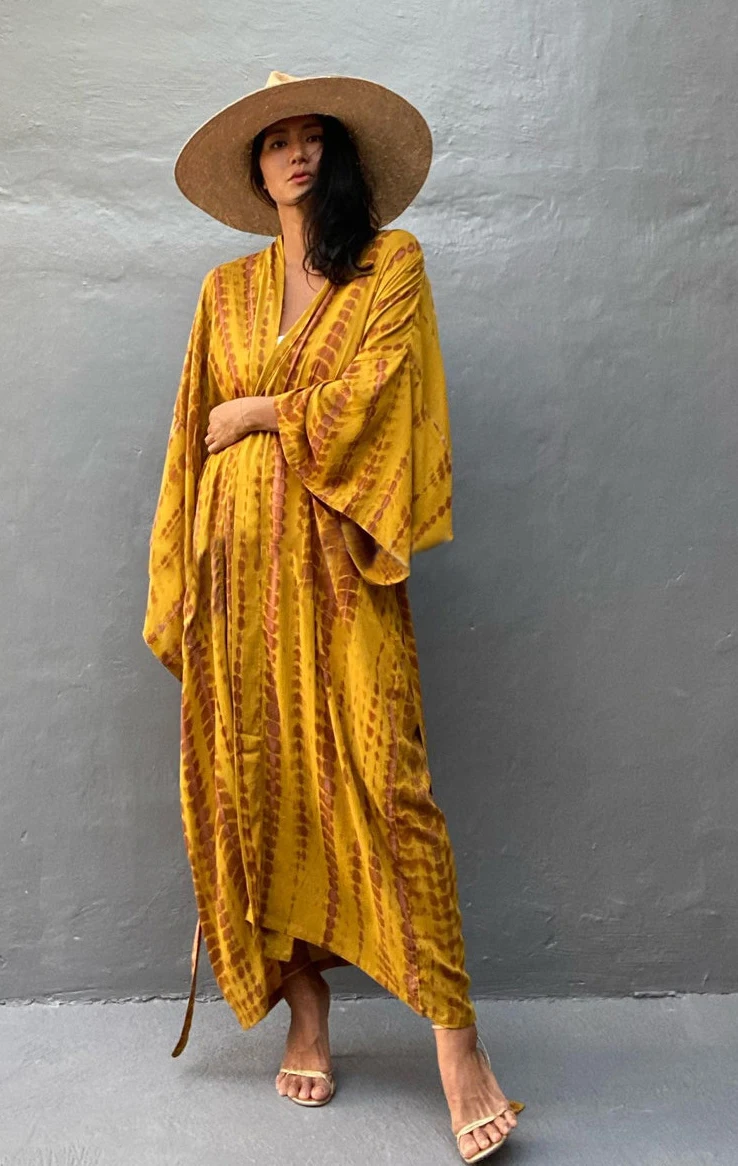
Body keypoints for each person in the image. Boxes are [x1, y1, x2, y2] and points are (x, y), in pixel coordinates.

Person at [143, 70, 525, 1164]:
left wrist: (262, 409)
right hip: (234, 575)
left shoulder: (388, 265)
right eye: (278, 141)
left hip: (340, 568)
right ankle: (306, 1012)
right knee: (261, 782)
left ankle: (458, 1045)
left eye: (315, 136)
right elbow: (191, 441)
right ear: (256, 168)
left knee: (389, 784)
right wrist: (180, 583)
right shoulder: (224, 292)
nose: (298, 153)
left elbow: (380, 391)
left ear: (339, 155)